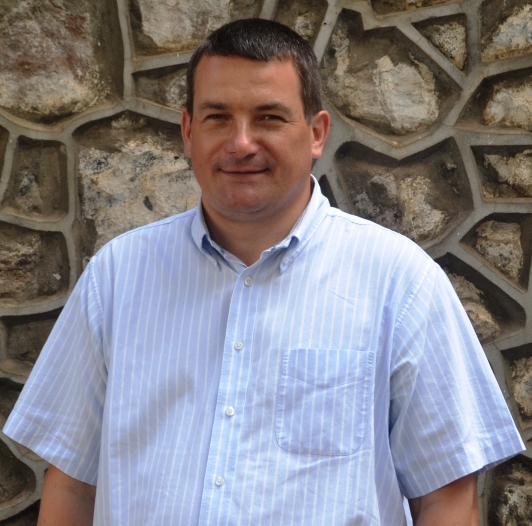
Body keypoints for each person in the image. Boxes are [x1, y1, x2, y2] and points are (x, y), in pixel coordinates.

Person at [3, 18, 524, 526]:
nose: (241, 143)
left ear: (316, 133)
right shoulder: (117, 278)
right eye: (217, 117)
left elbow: (447, 501)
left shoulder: (400, 283)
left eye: (269, 117)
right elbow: (72, 487)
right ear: (188, 132)